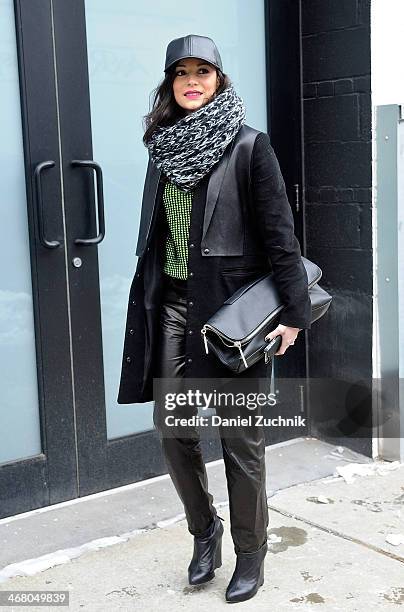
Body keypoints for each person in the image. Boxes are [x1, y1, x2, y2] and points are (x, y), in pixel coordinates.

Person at [117, 34, 312, 604]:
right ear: (170, 86)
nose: (193, 80)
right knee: (173, 430)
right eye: (182, 73)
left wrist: (293, 315)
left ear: (220, 81)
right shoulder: (163, 149)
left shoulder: (251, 147)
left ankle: (252, 553)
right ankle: (206, 533)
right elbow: (160, 240)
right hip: (175, 310)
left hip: (231, 319)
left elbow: (281, 237)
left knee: (241, 441)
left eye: (204, 71)